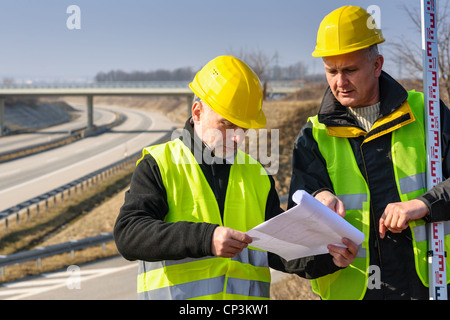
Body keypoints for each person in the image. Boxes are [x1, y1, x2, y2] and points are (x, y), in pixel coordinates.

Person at [288, 5, 450, 300]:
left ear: (377, 65)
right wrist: (319, 197)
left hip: (428, 288)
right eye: (331, 71)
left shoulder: (427, 114)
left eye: (350, 69)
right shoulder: (314, 135)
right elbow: (297, 249)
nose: (340, 82)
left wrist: (424, 204)